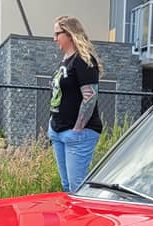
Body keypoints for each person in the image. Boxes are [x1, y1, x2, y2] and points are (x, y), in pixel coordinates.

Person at [48, 16, 103, 193]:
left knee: (77, 189)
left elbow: (90, 96)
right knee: (67, 187)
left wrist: (77, 129)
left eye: (57, 34)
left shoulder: (83, 60)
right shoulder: (65, 60)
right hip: (58, 131)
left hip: (78, 134)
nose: (54, 38)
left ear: (70, 34)